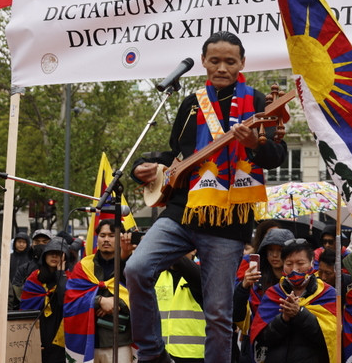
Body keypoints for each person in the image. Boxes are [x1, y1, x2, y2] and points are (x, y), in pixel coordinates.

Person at [126, 31, 288, 363]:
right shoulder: (190, 103)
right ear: (203, 62)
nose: (222, 68)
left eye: (230, 61)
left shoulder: (258, 102)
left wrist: (255, 144)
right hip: (182, 212)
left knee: (218, 314)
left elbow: (276, 156)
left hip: (228, 221)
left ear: (242, 63)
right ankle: (153, 354)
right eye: (214, 61)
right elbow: (177, 155)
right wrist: (144, 166)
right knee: (136, 268)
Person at [252, 238, 337, 363]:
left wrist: (300, 313)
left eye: (300, 263)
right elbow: (263, 339)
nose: (294, 269)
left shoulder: (327, 294)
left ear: (312, 263)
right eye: (289, 264)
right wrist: (283, 319)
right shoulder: (273, 294)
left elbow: (330, 338)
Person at [63, 219, 134, 363]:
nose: (106, 239)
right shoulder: (83, 267)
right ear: (97, 238)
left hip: (120, 343)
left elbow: (140, 297)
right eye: (102, 235)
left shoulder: (131, 265)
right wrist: (99, 301)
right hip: (88, 342)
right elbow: (71, 299)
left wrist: (117, 303)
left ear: (121, 238)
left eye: (112, 235)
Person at [233, 227, 294, 363]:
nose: (274, 255)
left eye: (280, 250)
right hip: (254, 346)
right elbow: (237, 313)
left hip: (286, 347)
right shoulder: (255, 280)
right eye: (270, 250)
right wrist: (244, 286)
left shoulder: (298, 282)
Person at [19, 237, 70, 363]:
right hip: (38, 337)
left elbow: (64, 301)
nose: (54, 255)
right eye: (51, 252)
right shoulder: (33, 278)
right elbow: (25, 311)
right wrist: (33, 340)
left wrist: (60, 274)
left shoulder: (70, 278)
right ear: (44, 256)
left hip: (61, 341)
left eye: (58, 253)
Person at [155, 251, 205, 363]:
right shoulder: (159, 273)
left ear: (193, 250)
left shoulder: (203, 273)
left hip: (193, 355)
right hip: (161, 354)